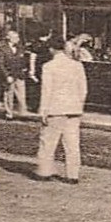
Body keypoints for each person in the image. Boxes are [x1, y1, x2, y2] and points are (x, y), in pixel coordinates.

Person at [36, 37, 89, 184]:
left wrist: (43, 110)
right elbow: (83, 90)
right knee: (72, 143)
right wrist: (79, 104)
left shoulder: (48, 66)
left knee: (48, 142)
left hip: (55, 108)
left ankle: (44, 172)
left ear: (51, 49)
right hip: (74, 109)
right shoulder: (77, 66)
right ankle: (73, 175)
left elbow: (46, 90)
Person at [0, 27, 31, 121]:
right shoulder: (3, 49)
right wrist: (7, 75)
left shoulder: (20, 48)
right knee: (9, 94)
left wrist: (24, 69)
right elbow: (1, 64)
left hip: (19, 74)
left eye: (18, 37)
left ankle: (23, 113)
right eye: (15, 37)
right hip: (10, 75)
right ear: (9, 38)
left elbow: (24, 59)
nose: (18, 39)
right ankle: (9, 113)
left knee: (21, 94)